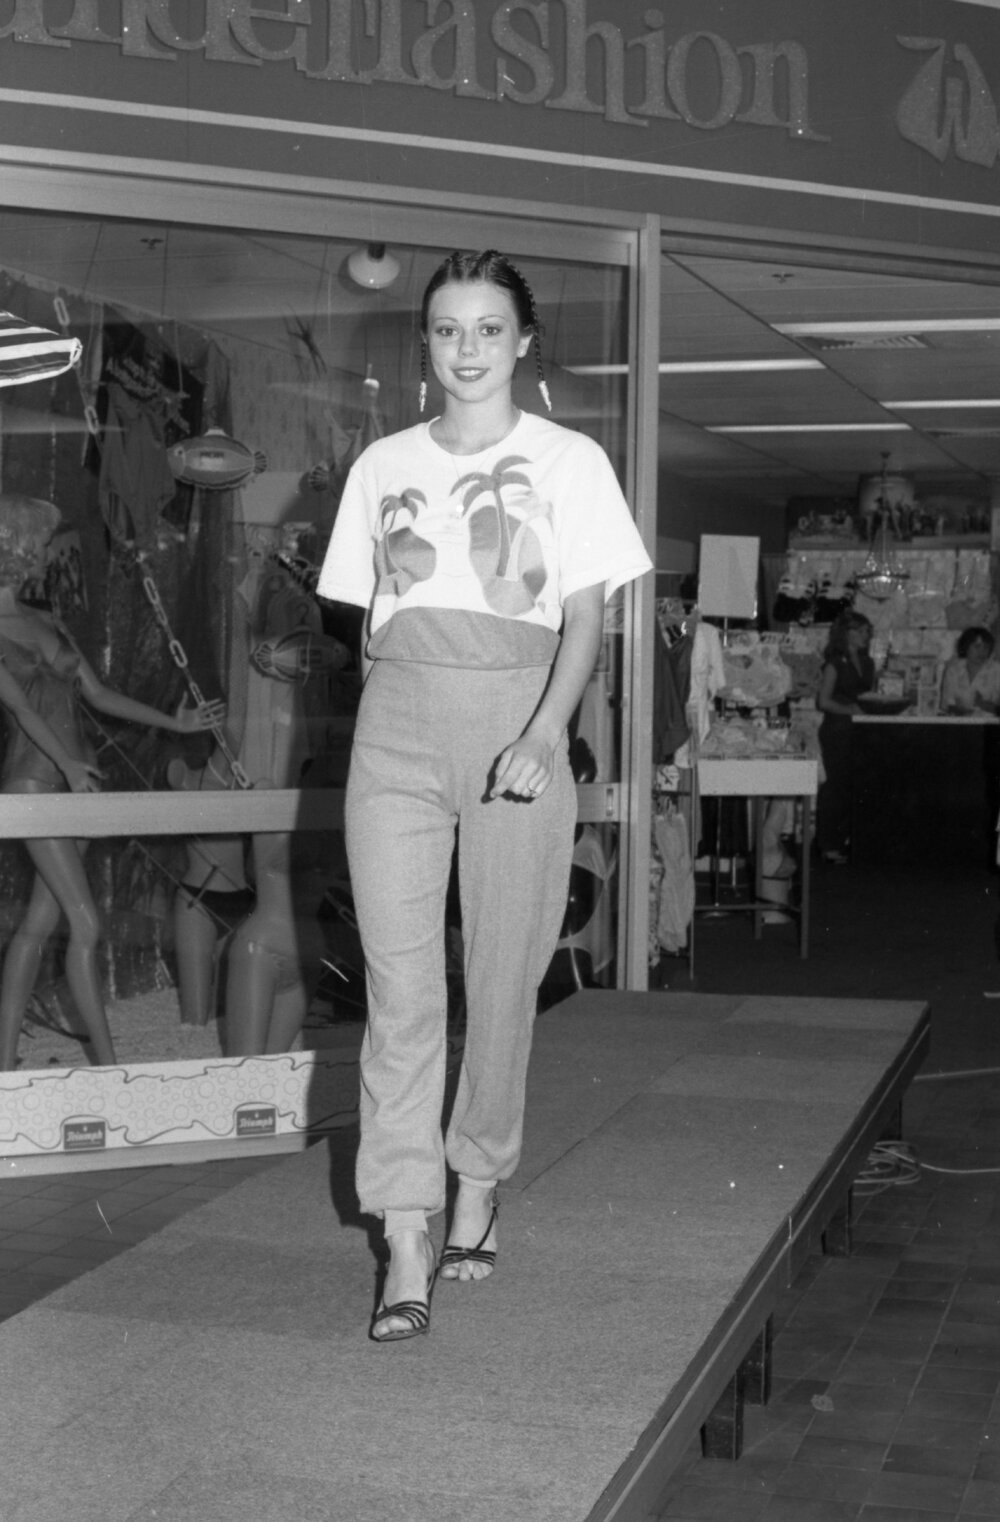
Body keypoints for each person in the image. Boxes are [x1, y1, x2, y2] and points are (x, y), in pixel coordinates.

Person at [316, 249, 651, 1342]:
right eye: (447, 329)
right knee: (401, 991)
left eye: (487, 329)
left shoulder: (569, 462)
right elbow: (364, 625)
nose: (467, 349)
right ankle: (403, 1224)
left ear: (521, 342)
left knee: (500, 976)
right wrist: (395, 724)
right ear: (425, 343)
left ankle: (478, 1179)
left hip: (520, 728)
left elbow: (587, 621)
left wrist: (545, 732)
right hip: (399, 731)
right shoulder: (380, 465)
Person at [0, 493, 225, 1071]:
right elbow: (23, 714)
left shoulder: (45, 620)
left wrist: (173, 721)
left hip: (76, 783)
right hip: (33, 785)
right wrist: (70, 767)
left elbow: (97, 695)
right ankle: (107, 1064)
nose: (51, 554)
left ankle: (3, 1067)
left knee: (39, 924)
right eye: (45, 545)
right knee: (85, 922)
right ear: (18, 548)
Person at [815, 609, 875, 865]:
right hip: (837, 730)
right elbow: (823, 701)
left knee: (854, 787)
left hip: (859, 730)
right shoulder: (834, 662)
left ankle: (847, 840)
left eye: (867, 631)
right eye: (859, 631)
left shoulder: (868, 661)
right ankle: (829, 845)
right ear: (846, 633)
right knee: (834, 788)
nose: (865, 636)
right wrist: (850, 709)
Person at [941, 625, 1000, 716]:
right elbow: (946, 705)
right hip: (959, 724)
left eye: (986, 647)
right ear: (966, 647)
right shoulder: (953, 670)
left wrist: (984, 705)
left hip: (990, 726)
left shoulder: (997, 670)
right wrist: (964, 711)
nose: (982, 651)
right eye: (977, 646)